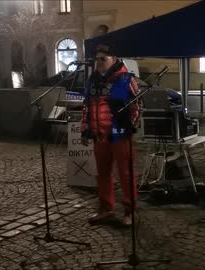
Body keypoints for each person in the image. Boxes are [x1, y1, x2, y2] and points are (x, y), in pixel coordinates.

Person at [81, 45, 141, 225]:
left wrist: (128, 127)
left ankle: (130, 211)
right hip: (99, 135)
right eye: (97, 59)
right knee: (103, 173)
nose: (98, 62)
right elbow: (86, 107)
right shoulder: (92, 80)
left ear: (114, 59)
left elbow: (136, 107)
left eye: (103, 59)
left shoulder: (124, 79)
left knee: (126, 173)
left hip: (119, 134)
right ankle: (106, 208)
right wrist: (85, 129)